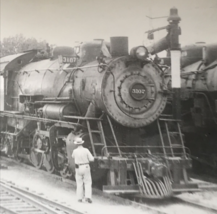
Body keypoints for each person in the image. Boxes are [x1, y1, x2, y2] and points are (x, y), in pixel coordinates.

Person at [71, 137, 94, 203]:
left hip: (78, 168)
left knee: (79, 183)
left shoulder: (74, 151)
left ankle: (79, 198)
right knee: (87, 182)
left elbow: (72, 156)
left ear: (76, 144)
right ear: (82, 143)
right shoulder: (86, 150)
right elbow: (91, 159)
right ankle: (88, 197)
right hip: (86, 166)